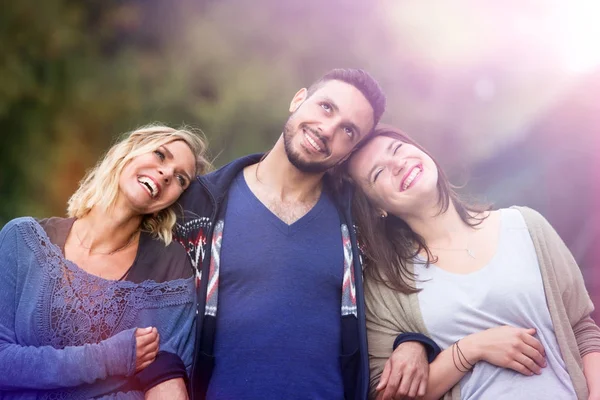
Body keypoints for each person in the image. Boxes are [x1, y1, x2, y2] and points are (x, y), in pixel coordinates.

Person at [149, 69, 439, 400]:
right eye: (326, 107)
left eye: (348, 131)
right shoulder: (198, 205)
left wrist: (413, 340)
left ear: (350, 152)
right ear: (298, 100)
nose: (328, 129)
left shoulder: (360, 225)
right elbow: (140, 299)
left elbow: (418, 282)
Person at [344, 124, 600, 399]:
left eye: (397, 148)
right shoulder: (387, 284)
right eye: (379, 172)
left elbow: (582, 330)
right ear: (377, 207)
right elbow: (387, 394)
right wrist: (468, 351)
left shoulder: (527, 225)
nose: (397, 164)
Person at [0, 125, 211, 399]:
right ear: (127, 153)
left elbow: (167, 382)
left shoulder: (168, 277)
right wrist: (108, 358)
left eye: (181, 179)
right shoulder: (23, 240)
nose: (168, 173)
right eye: (160, 155)